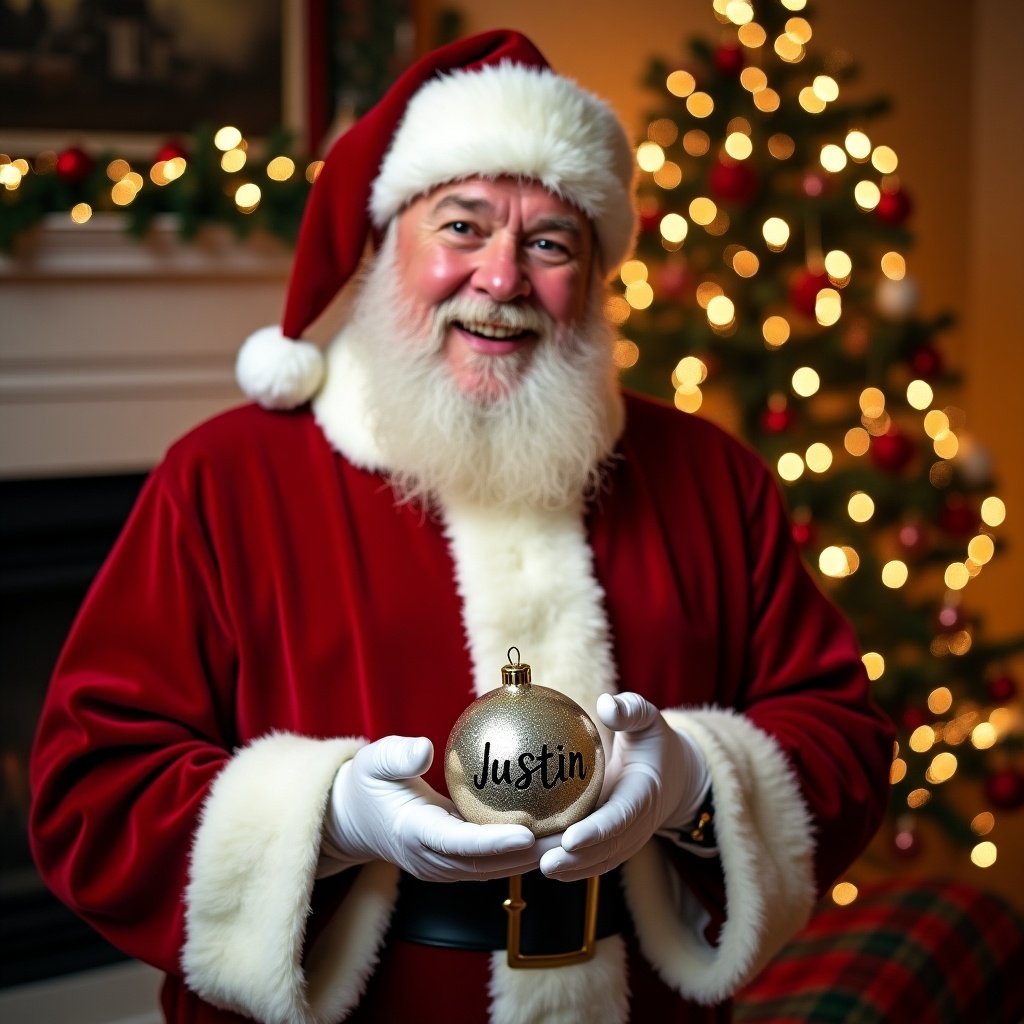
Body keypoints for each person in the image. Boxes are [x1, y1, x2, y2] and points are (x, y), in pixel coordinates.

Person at [29, 28, 894, 1024]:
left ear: (594, 276)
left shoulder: (710, 477)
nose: (502, 277)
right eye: (464, 226)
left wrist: (694, 782)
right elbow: (90, 790)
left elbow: (840, 736)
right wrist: (328, 819)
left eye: (550, 243)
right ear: (387, 239)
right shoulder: (222, 480)